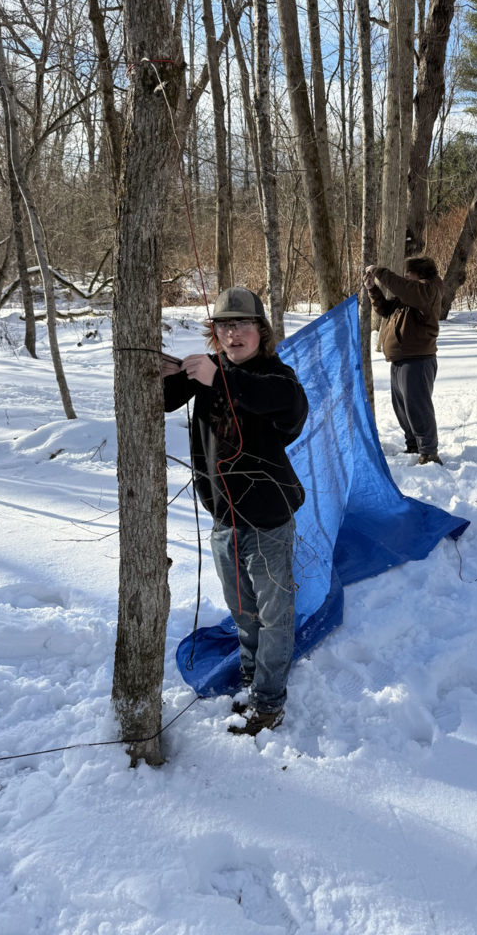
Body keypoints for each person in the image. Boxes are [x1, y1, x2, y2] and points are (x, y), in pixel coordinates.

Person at [161, 287, 308, 736]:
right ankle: (250, 679)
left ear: (261, 332)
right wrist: (169, 371)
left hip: (268, 521)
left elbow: (288, 407)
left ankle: (268, 702)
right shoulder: (212, 371)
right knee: (242, 613)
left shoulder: (275, 376)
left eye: (242, 325)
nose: (233, 334)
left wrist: (215, 377)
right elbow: (165, 400)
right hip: (224, 520)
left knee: (275, 615)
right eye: (224, 326)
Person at [364, 256, 443, 465]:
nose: (406, 276)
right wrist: (373, 290)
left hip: (418, 359)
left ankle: (429, 452)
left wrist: (380, 272)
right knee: (403, 407)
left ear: (421, 274)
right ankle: (414, 445)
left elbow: (404, 287)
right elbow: (386, 310)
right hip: (401, 358)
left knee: (418, 406)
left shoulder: (427, 291)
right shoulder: (412, 295)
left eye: (410, 272)